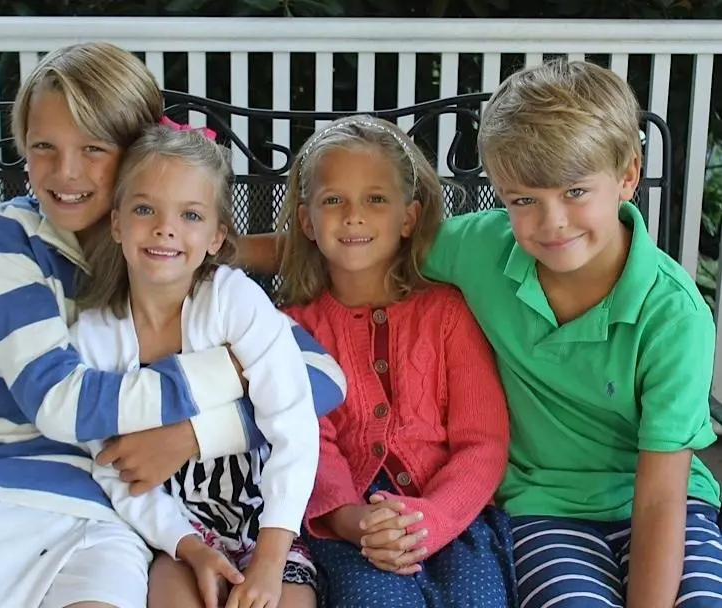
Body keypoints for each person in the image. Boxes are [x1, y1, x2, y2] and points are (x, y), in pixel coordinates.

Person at [0, 42, 345, 608]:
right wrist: (229, 374)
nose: (65, 172)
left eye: (93, 148)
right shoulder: (11, 236)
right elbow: (62, 401)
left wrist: (192, 436)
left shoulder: (171, 257)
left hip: (116, 506)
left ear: (135, 152)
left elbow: (317, 373)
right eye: (42, 147)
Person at [238, 60, 722, 608]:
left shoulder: (673, 316)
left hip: (665, 502)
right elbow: (358, 241)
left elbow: (661, 500)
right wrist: (216, 248)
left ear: (628, 175)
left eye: (576, 191)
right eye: (523, 200)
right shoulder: (482, 250)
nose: (552, 222)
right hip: (545, 505)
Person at [74, 124, 323, 608]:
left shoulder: (234, 302)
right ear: (117, 223)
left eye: (190, 214)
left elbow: (293, 422)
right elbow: (112, 469)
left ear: (215, 236)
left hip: (266, 525)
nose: (166, 228)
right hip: (173, 535)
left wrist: (270, 563)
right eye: (145, 209)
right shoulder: (94, 336)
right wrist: (188, 547)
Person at [271, 115, 515, 607]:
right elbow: (307, 437)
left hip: (453, 512)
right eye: (333, 200)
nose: (353, 215)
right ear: (306, 221)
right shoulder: (291, 327)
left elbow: (482, 442)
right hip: (351, 522)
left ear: (408, 218)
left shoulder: (448, 312)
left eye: (375, 199)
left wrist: (433, 518)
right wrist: (350, 518)